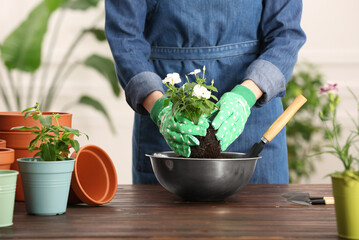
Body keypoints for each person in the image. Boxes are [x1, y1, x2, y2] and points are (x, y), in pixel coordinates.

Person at [105, 0, 306, 184]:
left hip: (254, 118)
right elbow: (125, 37)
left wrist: (245, 97)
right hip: (168, 125)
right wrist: (160, 109)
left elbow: (286, 35)